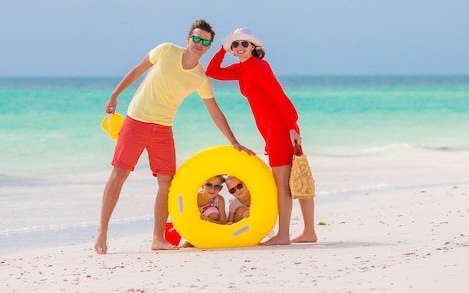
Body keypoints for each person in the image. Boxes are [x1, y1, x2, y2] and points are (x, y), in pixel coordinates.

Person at [94, 20, 254, 254]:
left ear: (209, 47)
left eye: (205, 42)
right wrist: (115, 94)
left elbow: (215, 113)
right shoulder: (166, 50)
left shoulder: (200, 77)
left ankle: (157, 239)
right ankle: (102, 231)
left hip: (163, 129)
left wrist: (234, 141)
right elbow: (138, 69)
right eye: (196, 38)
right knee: (119, 174)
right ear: (188, 38)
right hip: (136, 121)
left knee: (167, 184)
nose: (199, 44)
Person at [206, 28, 317, 245]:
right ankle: (309, 232)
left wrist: (291, 126)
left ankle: (284, 235)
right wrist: (222, 48)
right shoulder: (240, 70)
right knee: (295, 180)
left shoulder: (259, 66)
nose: (239, 48)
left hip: (280, 130)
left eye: (244, 44)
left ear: (253, 47)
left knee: (283, 183)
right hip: (272, 131)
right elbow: (212, 71)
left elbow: (278, 95)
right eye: (235, 44)